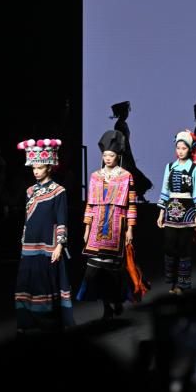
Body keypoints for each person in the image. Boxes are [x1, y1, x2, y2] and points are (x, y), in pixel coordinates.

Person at [78, 129, 147, 319]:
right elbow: (90, 203)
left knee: (113, 270)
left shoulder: (126, 176)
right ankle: (106, 306)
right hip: (97, 227)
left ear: (118, 156)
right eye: (105, 155)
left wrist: (130, 229)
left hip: (117, 226)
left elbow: (131, 203)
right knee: (95, 270)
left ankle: (116, 301)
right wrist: (87, 227)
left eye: (111, 155)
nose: (108, 158)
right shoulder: (95, 176)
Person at [14, 139, 75, 331]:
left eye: (39, 167)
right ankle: (26, 321)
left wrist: (60, 245)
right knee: (27, 282)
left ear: (49, 167)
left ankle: (48, 323)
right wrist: (23, 241)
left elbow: (62, 219)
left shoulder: (59, 191)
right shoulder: (30, 191)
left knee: (45, 283)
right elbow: (27, 220)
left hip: (48, 245)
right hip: (29, 244)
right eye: (33, 167)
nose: (36, 171)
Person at [157, 130, 196, 294]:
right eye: (178, 148)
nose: (180, 151)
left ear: (189, 149)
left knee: (184, 247)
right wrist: (161, 213)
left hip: (188, 211)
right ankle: (172, 280)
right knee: (169, 246)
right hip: (171, 210)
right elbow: (165, 189)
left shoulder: (194, 168)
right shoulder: (170, 167)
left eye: (184, 148)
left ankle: (182, 283)